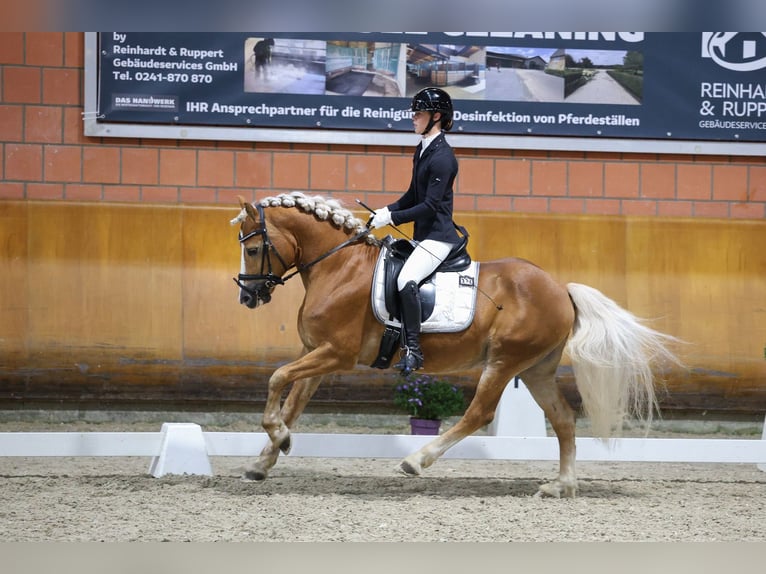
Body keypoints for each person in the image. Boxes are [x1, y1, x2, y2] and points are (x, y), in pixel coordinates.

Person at [369, 86, 461, 376]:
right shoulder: (423, 149)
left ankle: (413, 350)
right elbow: (413, 195)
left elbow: (430, 206)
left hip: (438, 237)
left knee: (406, 278)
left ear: (436, 117)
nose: (413, 118)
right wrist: (385, 211)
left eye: (418, 114)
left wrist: (393, 216)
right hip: (423, 236)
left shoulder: (443, 158)